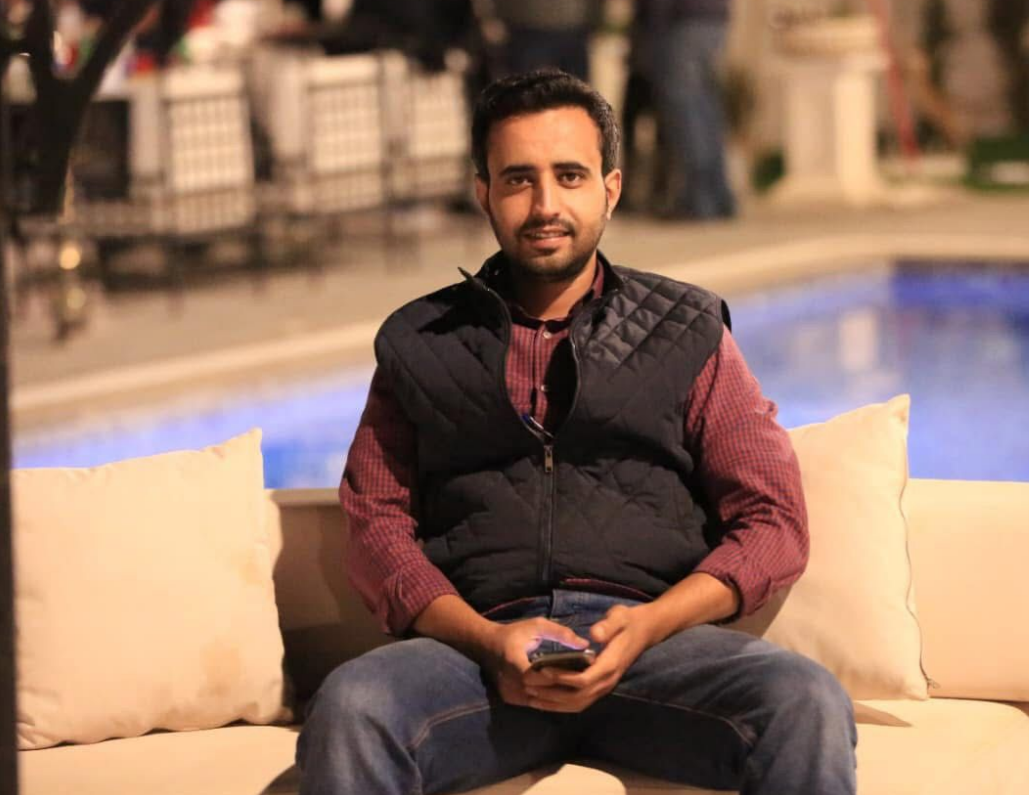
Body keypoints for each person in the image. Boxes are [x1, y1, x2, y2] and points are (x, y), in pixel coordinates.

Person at [295, 69, 856, 795]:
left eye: (569, 176)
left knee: (804, 699)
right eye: (518, 180)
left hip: (655, 649)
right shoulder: (419, 340)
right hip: (477, 661)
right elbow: (377, 525)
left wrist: (652, 623)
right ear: (483, 193)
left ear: (610, 188)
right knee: (353, 705)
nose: (546, 206)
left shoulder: (687, 330)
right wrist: (486, 640)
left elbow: (773, 519)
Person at [648, 0, 736, 220]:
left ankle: (699, 198)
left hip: (682, 21)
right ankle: (720, 195)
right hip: (713, 19)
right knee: (705, 108)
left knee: (687, 113)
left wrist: (653, 24)